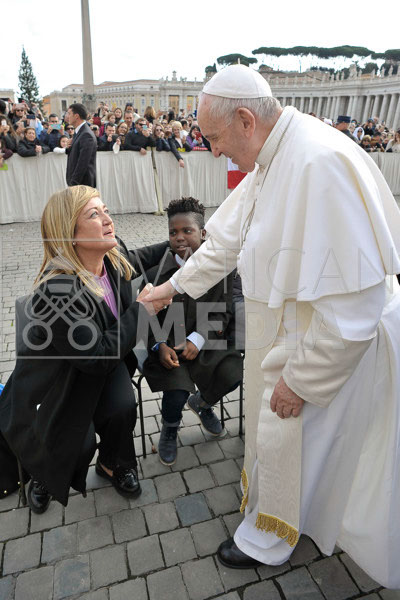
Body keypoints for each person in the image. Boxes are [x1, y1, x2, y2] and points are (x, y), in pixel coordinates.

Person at [137, 64, 400, 589]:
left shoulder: (319, 163)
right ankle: (278, 515)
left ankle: (274, 537)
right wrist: (170, 288)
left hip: (321, 347)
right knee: (287, 445)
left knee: (298, 443)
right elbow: (225, 243)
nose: (213, 151)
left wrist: (301, 381)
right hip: (287, 333)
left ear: (245, 120)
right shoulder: (273, 156)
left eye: (215, 138)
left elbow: (356, 307)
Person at [0, 185, 169, 512]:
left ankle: (113, 463)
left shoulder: (110, 255)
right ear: (70, 233)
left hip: (103, 358)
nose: (108, 220)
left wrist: (174, 247)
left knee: (123, 408)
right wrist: (144, 309)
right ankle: (44, 475)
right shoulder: (57, 291)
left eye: (106, 210)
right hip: (61, 376)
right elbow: (95, 357)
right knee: (77, 442)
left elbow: (136, 259)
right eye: (94, 214)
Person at [142, 197, 243, 465]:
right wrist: (160, 345)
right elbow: (146, 317)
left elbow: (223, 311)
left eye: (187, 230)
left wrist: (198, 339)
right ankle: (170, 427)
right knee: (175, 390)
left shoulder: (220, 269)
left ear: (203, 233)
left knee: (233, 373)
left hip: (206, 341)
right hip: (170, 344)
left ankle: (203, 403)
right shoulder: (156, 273)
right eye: (173, 232)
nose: (179, 237)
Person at [65, 103, 97, 187]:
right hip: (78, 183)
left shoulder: (86, 134)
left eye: (69, 113)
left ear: (76, 116)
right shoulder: (78, 132)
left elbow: (83, 163)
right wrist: (68, 148)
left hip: (83, 184)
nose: (67, 116)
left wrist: (73, 183)